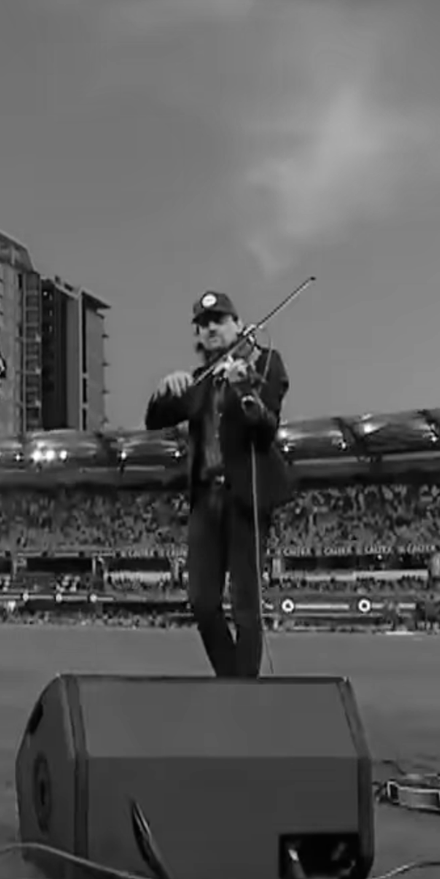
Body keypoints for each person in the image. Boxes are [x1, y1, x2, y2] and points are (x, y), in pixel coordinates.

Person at [144, 290, 291, 678]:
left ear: (238, 326)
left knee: (246, 603)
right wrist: (165, 387)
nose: (210, 328)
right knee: (202, 601)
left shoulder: (266, 363)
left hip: (244, 495)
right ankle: (233, 681)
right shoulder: (198, 381)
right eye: (203, 324)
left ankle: (243, 690)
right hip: (205, 498)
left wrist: (243, 388)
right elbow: (155, 419)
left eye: (218, 321)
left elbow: (266, 425)